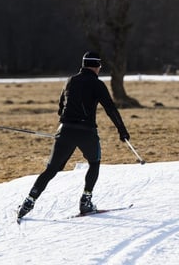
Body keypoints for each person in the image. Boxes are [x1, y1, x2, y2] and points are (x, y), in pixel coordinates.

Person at [17, 51, 130, 220]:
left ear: (84, 65)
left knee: (51, 169)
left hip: (66, 130)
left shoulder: (71, 80)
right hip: (87, 132)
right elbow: (110, 109)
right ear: (97, 66)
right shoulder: (97, 84)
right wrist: (122, 130)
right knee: (94, 162)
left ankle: (29, 201)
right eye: (99, 66)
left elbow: (61, 106)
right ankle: (86, 201)